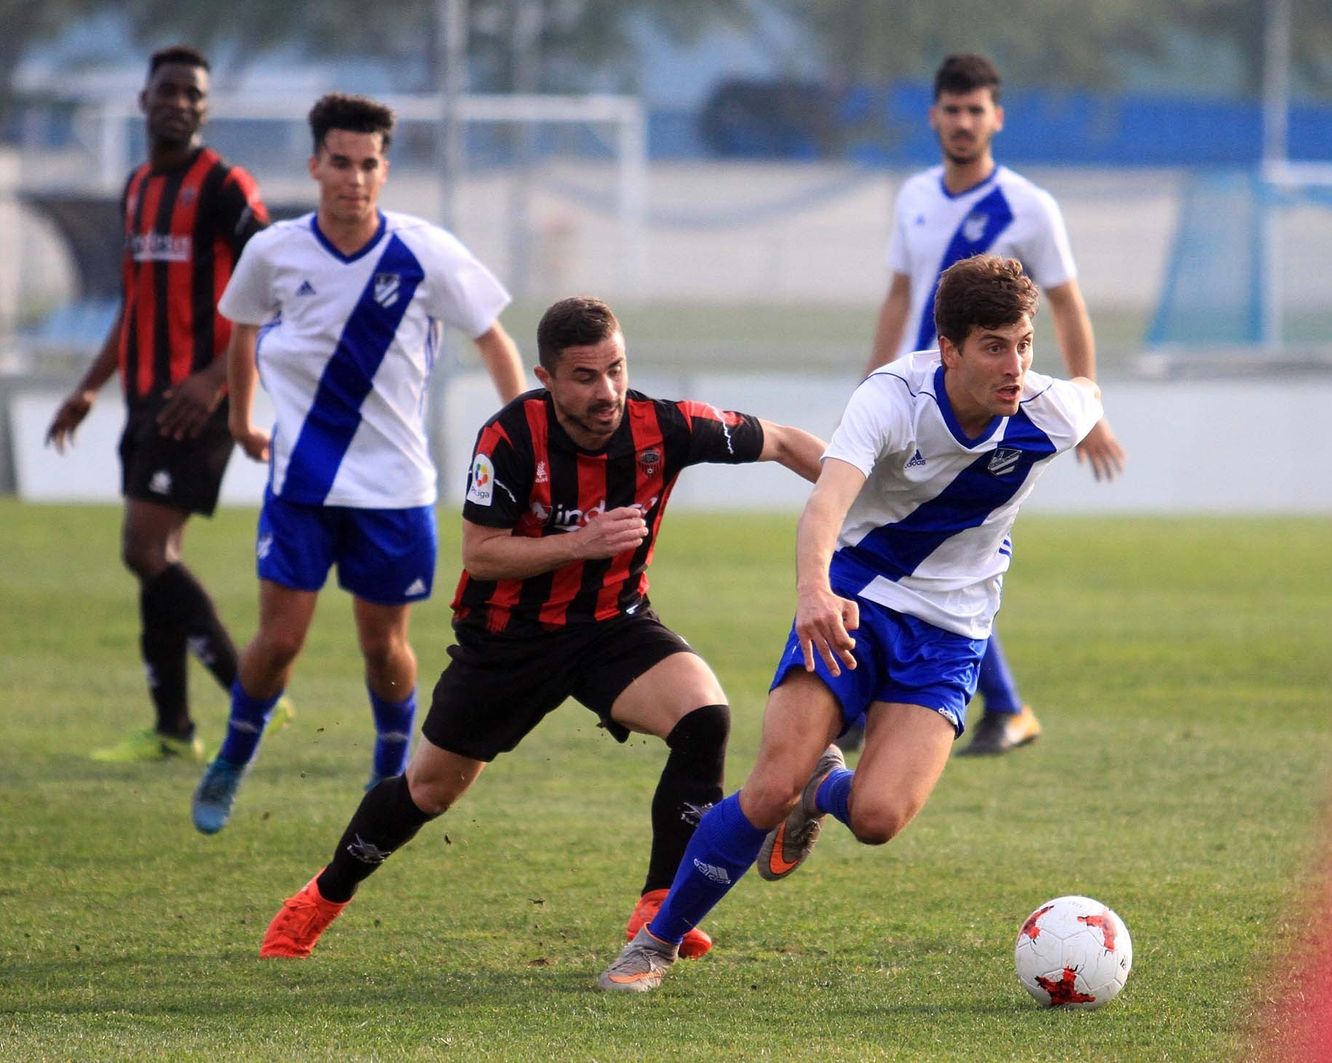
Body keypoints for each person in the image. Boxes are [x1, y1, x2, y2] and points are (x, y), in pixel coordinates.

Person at [252, 295, 826, 962]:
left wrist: (868, 495)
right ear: (547, 378)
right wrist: (582, 542)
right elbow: (481, 552)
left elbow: (785, 441)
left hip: (614, 625)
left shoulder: (662, 426)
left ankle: (659, 903)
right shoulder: (510, 438)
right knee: (431, 789)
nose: (607, 390)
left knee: (705, 716)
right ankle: (323, 894)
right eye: (585, 376)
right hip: (508, 637)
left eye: (615, 369)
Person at [597, 254, 1103, 992]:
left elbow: (1088, 389)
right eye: (995, 345)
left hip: (951, 635)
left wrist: (1095, 404)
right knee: (768, 787)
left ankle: (822, 791)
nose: (1016, 364)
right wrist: (811, 590)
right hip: (851, 603)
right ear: (950, 347)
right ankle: (654, 943)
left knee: (877, 816)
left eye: (1025, 343)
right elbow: (827, 504)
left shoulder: (1049, 410)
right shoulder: (892, 398)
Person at [189, 92, 528, 830]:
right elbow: (243, 332)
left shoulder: (425, 252)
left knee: (386, 649)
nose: (354, 178)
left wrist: (530, 435)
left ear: (385, 169)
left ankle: (386, 776)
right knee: (278, 641)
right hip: (302, 484)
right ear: (314, 165)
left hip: (397, 491)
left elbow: (495, 341)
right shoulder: (274, 251)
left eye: (368, 164)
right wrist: (244, 416)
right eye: (339, 163)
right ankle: (234, 753)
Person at [855, 53, 1126, 757]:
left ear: (996, 118)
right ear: (934, 115)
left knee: (939, 550)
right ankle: (991, 706)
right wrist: (869, 387)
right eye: (953, 109)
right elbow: (896, 294)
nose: (964, 122)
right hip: (915, 405)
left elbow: (1066, 302)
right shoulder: (913, 194)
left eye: (977, 110)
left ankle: (955, 705)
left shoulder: (1029, 207)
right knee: (919, 550)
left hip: (979, 416)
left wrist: (1088, 404)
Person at [45, 45, 271, 764]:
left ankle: (250, 693)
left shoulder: (226, 186)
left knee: (142, 547)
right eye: (167, 89)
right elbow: (135, 301)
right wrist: (89, 384)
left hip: (197, 400)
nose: (179, 101)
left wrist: (216, 379)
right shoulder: (138, 186)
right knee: (155, 556)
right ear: (144, 101)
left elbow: (277, 288)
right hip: (146, 397)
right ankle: (173, 726)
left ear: (204, 108)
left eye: (192, 93)